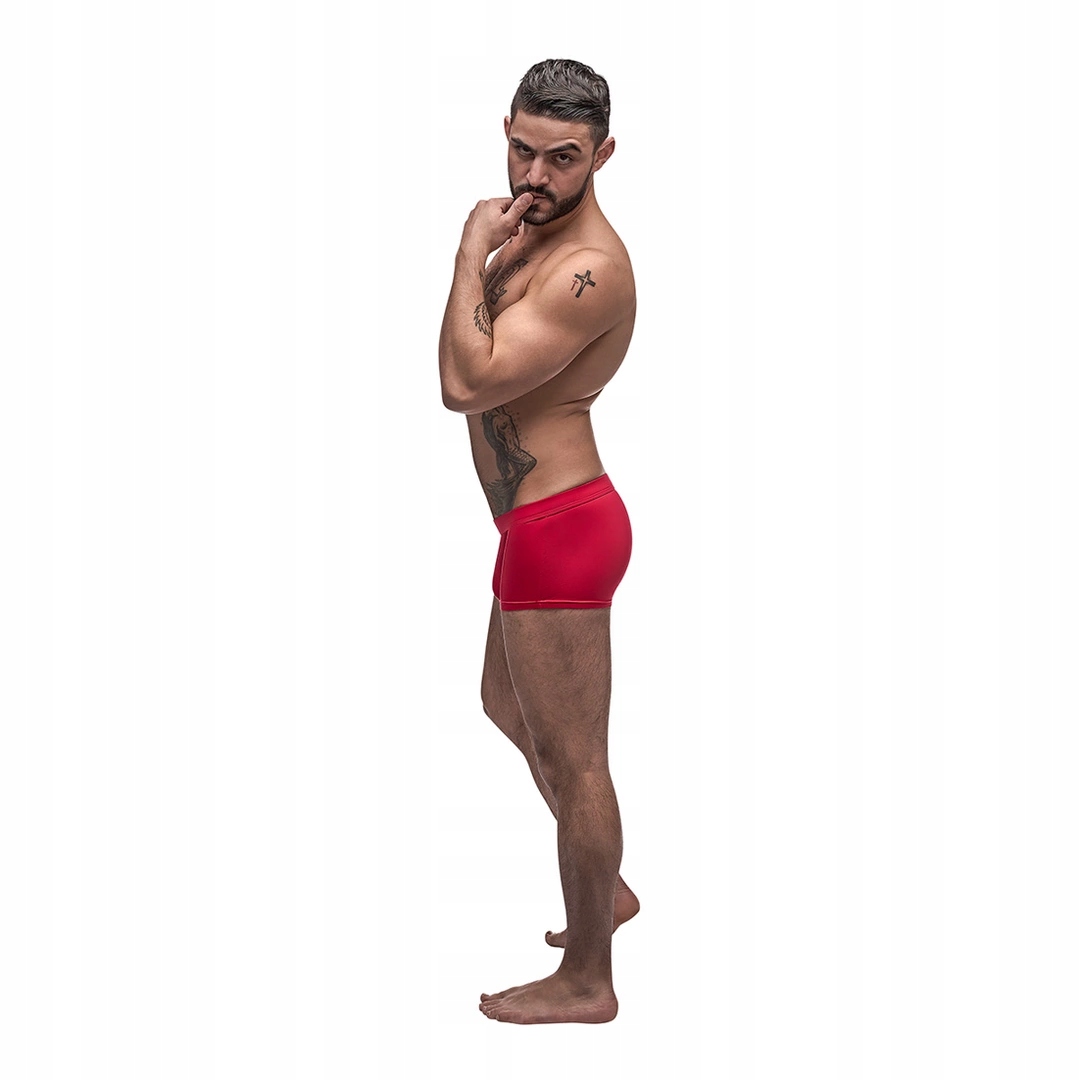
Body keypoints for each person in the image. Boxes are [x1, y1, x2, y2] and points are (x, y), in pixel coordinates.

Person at [439, 59, 639, 1025]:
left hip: (564, 530)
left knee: (577, 760)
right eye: (523, 150)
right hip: (531, 528)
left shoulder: (587, 269)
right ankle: (603, 880)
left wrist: (466, 251)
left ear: (602, 155)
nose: (535, 175)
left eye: (563, 158)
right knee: (500, 700)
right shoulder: (533, 233)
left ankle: (590, 977)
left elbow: (465, 382)